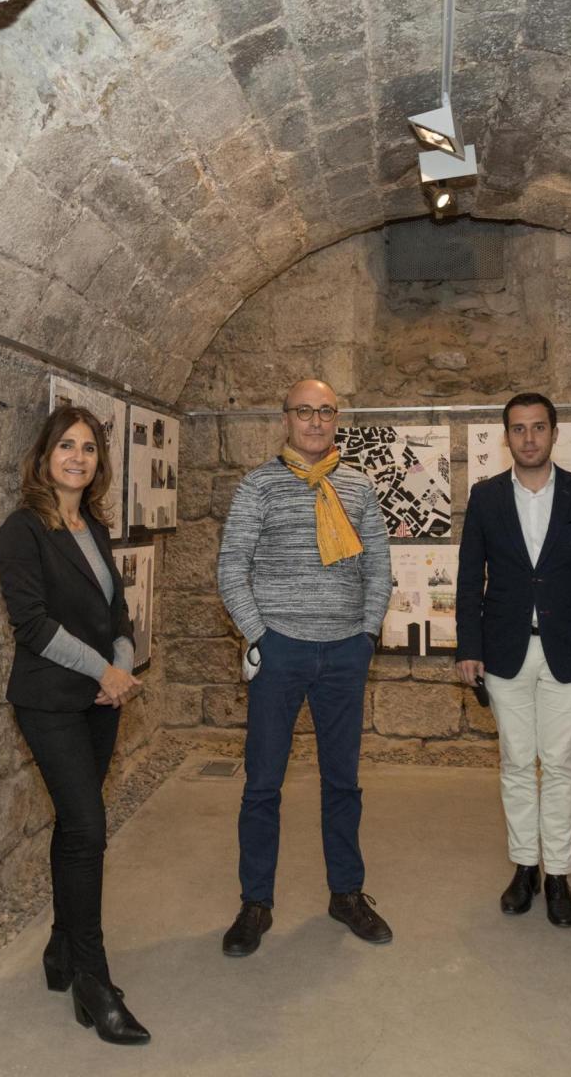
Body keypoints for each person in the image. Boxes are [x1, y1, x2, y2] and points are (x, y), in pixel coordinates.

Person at [216, 378, 394, 957]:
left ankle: (346, 893)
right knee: (263, 784)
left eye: (325, 411)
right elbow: (232, 567)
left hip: (344, 653)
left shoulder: (359, 487)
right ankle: (255, 903)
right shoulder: (258, 486)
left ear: (336, 418)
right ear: (285, 418)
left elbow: (379, 568)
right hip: (281, 652)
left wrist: (367, 635)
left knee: (343, 782)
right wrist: (260, 636)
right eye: (304, 411)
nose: (315, 422)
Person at [0, 404, 150, 1046]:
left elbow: (117, 615)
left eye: (88, 448)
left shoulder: (95, 527)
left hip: (100, 702)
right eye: (66, 446)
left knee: (74, 824)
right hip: (51, 702)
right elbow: (32, 625)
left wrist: (120, 666)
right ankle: (93, 978)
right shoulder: (23, 530)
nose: (77, 457)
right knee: (89, 827)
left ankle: (61, 948)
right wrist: (104, 671)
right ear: (44, 456)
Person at [455, 392, 571, 927]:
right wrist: (469, 647)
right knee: (517, 762)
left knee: (562, 763)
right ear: (507, 437)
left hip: (569, 652)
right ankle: (525, 866)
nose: (529, 438)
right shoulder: (485, 498)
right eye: (519, 429)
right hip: (505, 651)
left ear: (554, 433)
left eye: (539, 427)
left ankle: (559, 875)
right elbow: (468, 579)